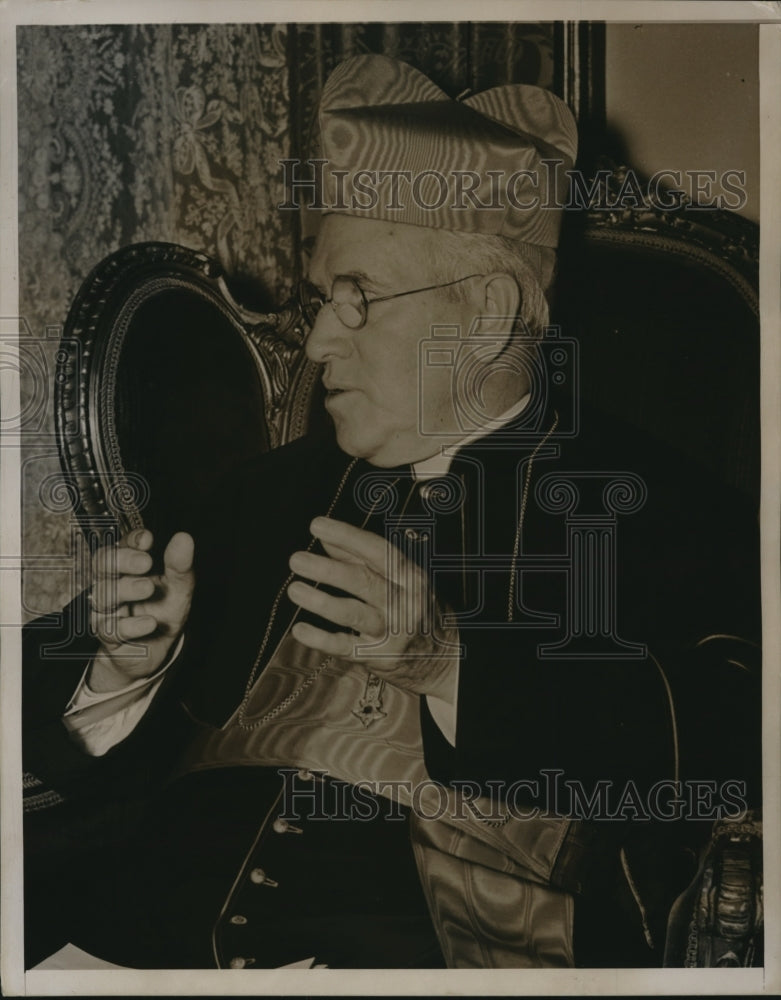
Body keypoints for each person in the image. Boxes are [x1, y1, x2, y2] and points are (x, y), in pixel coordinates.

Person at [23, 54, 761, 970]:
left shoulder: (661, 512)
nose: (319, 341)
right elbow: (48, 711)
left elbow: (733, 745)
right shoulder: (260, 493)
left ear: (486, 314)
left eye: (357, 300)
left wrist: (452, 663)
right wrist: (123, 672)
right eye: (321, 299)